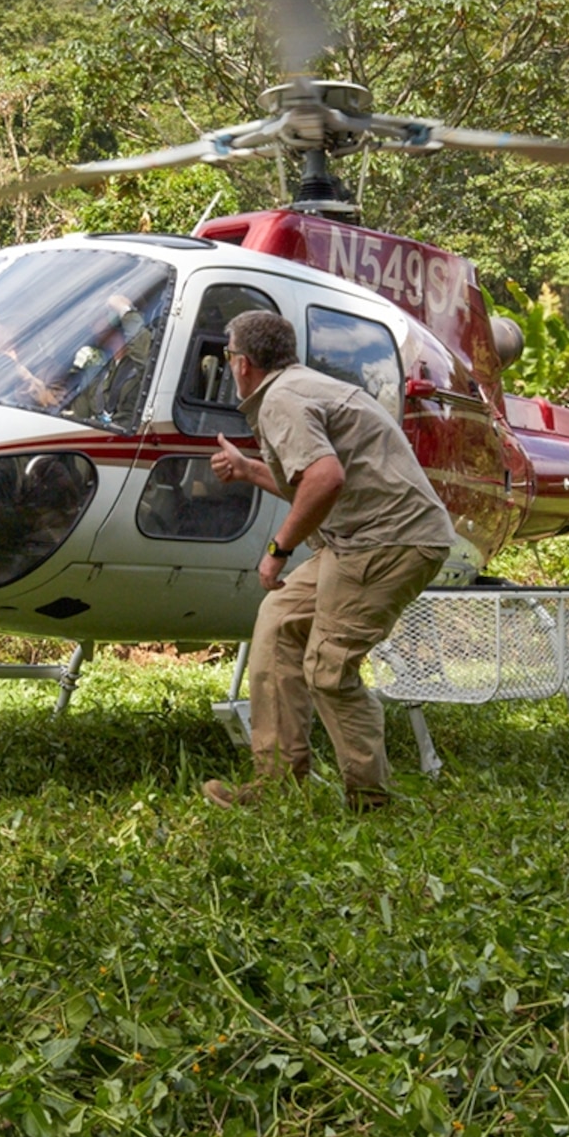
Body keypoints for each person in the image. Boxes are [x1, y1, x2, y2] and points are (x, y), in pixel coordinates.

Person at [202, 309, 459, 812]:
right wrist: (250, 469)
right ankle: (276, 785)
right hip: (358, 537)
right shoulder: (297, 387)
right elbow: (311, 478)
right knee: (277, 625)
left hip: (388, 540)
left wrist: (277, 550)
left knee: (328, 668)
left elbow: (325, 479)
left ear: (243, 364)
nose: (230, 365)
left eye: (229, 355)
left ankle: (371, 800)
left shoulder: (281, 399)